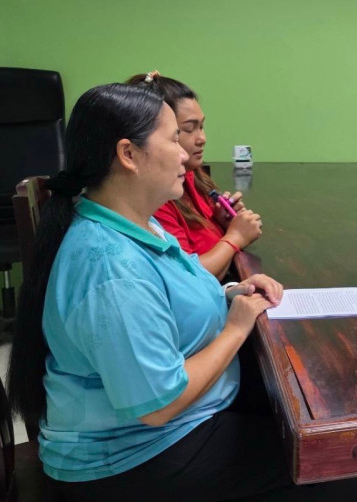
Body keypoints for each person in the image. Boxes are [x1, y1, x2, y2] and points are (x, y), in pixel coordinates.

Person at [7, 83, 290, 501]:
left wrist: (231, 293)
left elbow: (176, 286)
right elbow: (159, 406)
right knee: (326, 467)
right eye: (175, 138)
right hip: (131, 458)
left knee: (289, 404)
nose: (184, 154)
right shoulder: (112, 270)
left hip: (175, 422)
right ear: (128, 154)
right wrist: (235, 328)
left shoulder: (134, 221)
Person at [126, 71, 262, 280]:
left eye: (202, 126)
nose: (202, 138)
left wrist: (221, 222)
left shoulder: (191, 174)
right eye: (188, 129)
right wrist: (235, 237)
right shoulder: (155, 196)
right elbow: (186, 279)